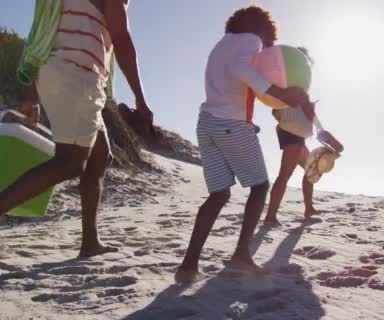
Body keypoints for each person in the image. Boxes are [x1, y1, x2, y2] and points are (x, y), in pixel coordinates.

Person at [0, 0, 153, 257]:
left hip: (69, 73)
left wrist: (31, 95)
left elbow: (41, 34)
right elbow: (121, 38)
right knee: (70, 161)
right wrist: (140, 97)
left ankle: (90, 242)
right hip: (76, 75)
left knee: (99, 157)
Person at [175, 5, 311, 283]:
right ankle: (241, 254)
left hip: (207, 122)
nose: (267, 47)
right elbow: (241, 70)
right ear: (263, 28)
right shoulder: (251, 39)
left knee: (219, 195)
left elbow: (235, 76)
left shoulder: (221, 44)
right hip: (231, 124)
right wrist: (281, 92)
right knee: (260, 186)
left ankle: (188, 265)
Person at [263, 48, 344, 226]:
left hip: (298, 137)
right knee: (284, 175)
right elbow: (285, 111)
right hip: (292, 136)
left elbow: (307, 119)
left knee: (310, 172)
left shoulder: (294, 92)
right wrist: (323, 133)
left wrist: (325, 137)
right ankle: (270, 216)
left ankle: (308, 208)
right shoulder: (290, 90)